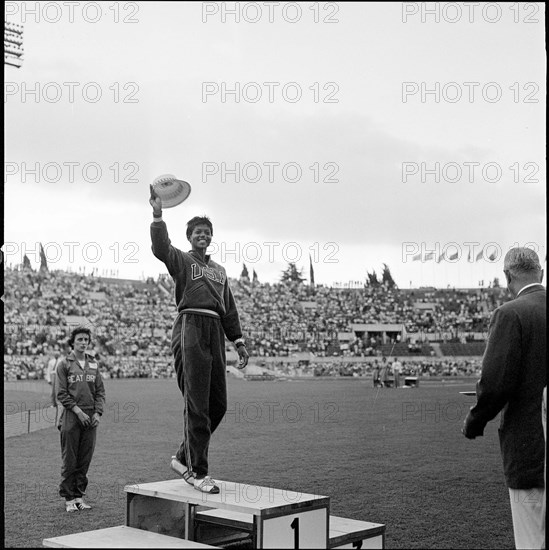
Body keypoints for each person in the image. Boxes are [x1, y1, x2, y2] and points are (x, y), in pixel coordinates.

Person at [149, 185, 249, 494]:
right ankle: (197, 471)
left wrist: (239, 341)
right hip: (190, 325)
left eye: (207, 231)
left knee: (217, 405)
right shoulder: (181, 259)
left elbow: (228, 307)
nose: (202, 235)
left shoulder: (219, 271)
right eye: (197, 232)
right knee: (196, 403)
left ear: (211, 236)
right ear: (190, 237)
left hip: (215, 330)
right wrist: (157, 214)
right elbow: (160, 248)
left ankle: (182, 458)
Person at [462, 248, 546, 549]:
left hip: (532, 451)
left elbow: (496, 384)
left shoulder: (511, 313)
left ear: (507, 276)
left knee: (533, 540)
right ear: (542, 274)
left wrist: (474, 420)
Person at [56, 326, 106, 512]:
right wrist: (78, 411)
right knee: (70, 459)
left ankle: (79, 497)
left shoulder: (93, 364)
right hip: (72, 415)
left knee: (84, 460)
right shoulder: (64, 364)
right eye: (80, 340)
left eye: (86, 339)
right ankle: (69, 499)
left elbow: (100, 391)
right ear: (73, 342)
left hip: (91, 417)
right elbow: (61, 394)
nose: (83, 343)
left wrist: (98, 413)